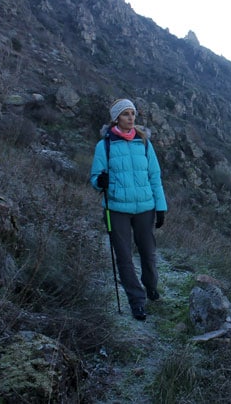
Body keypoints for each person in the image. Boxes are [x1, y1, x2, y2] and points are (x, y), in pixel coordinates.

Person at [90, 98, 167, 321]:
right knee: (124, 257)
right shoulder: (104, 144)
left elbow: (155, 176)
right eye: (126, 114)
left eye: (133, 113)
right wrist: (100, 181)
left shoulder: (144, 143)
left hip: (145, 207)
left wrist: (160, 207)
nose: (131, 118)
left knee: (148, 254)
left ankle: (151, 286)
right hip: (116, 209)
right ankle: (137, 301)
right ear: (116, 118)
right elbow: (95, 177)